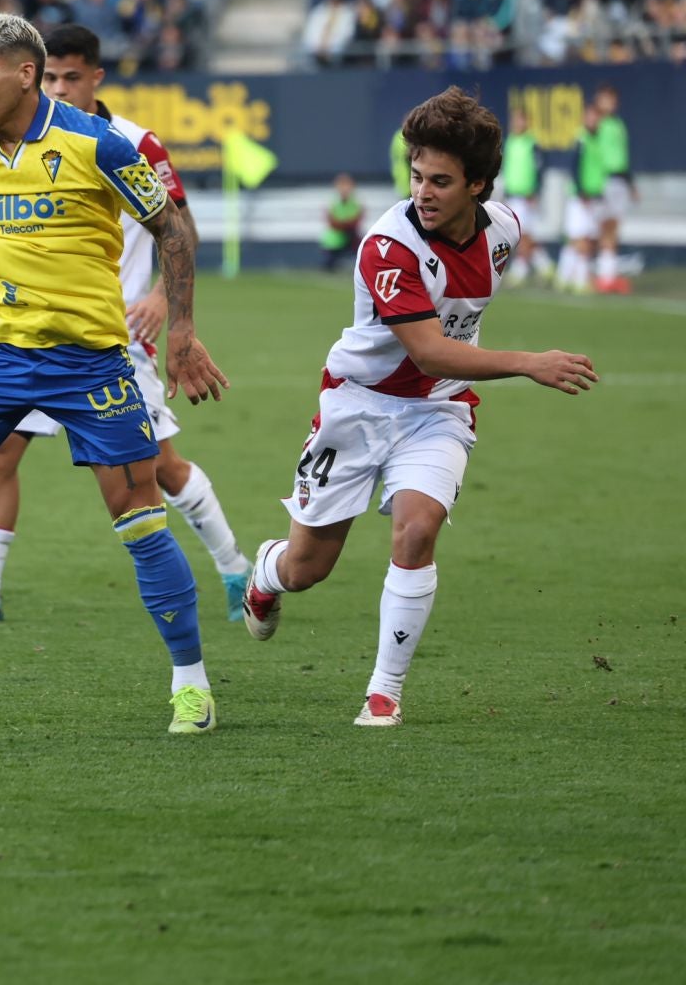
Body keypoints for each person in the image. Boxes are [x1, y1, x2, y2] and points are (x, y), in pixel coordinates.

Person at [0, 13, 229, 735]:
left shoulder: (96, 144)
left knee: (139, 520)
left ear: (25, 74)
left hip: (89, 361)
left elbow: (171, 227)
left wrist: (183, 328)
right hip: (0, 352)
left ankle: (192, 686)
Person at [240, 88, 596, 726]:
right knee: (308, 567)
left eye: (440, 180)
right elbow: (430, 350)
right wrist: (529, 362)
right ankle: (267, 573)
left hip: (437, 410)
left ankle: (384, 692)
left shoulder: (505, 231)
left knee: (417, 531)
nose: (422, 191)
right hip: (357, 407)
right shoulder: (388, 247)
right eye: (415, 175)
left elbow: (440, 365)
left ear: (479, 186)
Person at [498, 107, 552, 285]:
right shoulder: (510, 142)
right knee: (522, 234)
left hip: (526, 196)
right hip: (513, 194)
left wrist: (535, 191)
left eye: (521, 120)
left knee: (521, 234)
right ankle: (545, 265)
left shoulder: (532, 143)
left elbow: (539, 170)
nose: (517, 124)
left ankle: (521, 269)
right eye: (515, 120)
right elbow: (508, 169)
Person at [591, 84, 635, 294]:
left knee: (614, 228)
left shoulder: (618, 124)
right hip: (604, 181)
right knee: (604, 228)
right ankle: (604, 276)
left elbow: (622, 157)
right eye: (605, 98)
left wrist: (631, 184)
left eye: (612, 99)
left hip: (620, 180)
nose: (609, 103)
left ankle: (608, 274)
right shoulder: (596, 124)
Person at [556, 102, 602, 295]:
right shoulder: (581, 139)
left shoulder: (596, 140)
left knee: (581, 239)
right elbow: (574, 167)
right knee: (581, 239)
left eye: (596, 117)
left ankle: (564, 277)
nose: (594, 120)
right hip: (580, 196)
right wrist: (582, 190)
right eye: (591, 116)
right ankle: (580, 281)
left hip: (592, 195)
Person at [321, 173, 364, 273]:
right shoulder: (333, 203)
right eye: (342, 185)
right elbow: (333, 222)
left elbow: (357, 220)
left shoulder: (355, 203)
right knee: (329, 263)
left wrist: (343, 224)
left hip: (350, 237)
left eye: (347, 185)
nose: (345, 189)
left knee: (360, 244)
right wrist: (346, 224)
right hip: (335, 240)